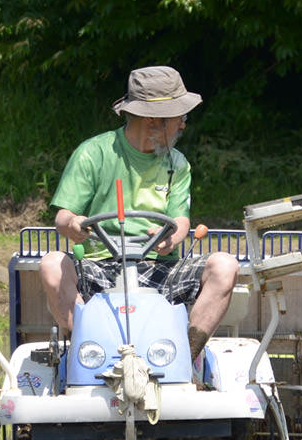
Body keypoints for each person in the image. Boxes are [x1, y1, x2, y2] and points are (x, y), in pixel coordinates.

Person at [39, 65, 239, 364]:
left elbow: (181, 219)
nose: (183, 125)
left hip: (160, 269)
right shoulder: (94, 153)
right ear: (153, 121)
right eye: (179, 118)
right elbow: (63, 217)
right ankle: (87, 355)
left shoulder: (178, 164)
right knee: (51, 264)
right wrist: (75, 224)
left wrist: (174, 237)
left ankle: (184, 360)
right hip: (99, 268)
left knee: (225, 265)